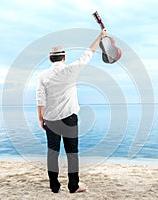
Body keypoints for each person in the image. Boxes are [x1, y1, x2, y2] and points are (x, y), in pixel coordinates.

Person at [36, 29, 107, 193]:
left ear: (50, 58)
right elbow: (88, 54)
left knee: (52, 153)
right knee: (72, 153)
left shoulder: (42, 76)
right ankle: (73, 186)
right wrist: (100, 36)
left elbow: (40, 99)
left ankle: (54, 186)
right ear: (64, 57)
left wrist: (41, 118)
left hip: (50, 119)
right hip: (69, 118)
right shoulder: (70, 70)